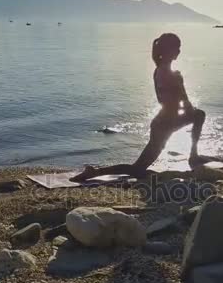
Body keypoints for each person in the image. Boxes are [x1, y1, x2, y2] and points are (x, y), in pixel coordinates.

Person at [70, 33, 207, 182]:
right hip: (165, 124)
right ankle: (94, 172)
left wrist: (184, 112)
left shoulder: (159, 69)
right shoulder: (172, 74)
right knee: (137, 169)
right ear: (168, 50)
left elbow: (172, 102)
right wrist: (186, 109)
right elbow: (185, 105)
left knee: (199, 115)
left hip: (163, 121)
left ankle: (194, 156)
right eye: (177, 48)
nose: (179, 51)